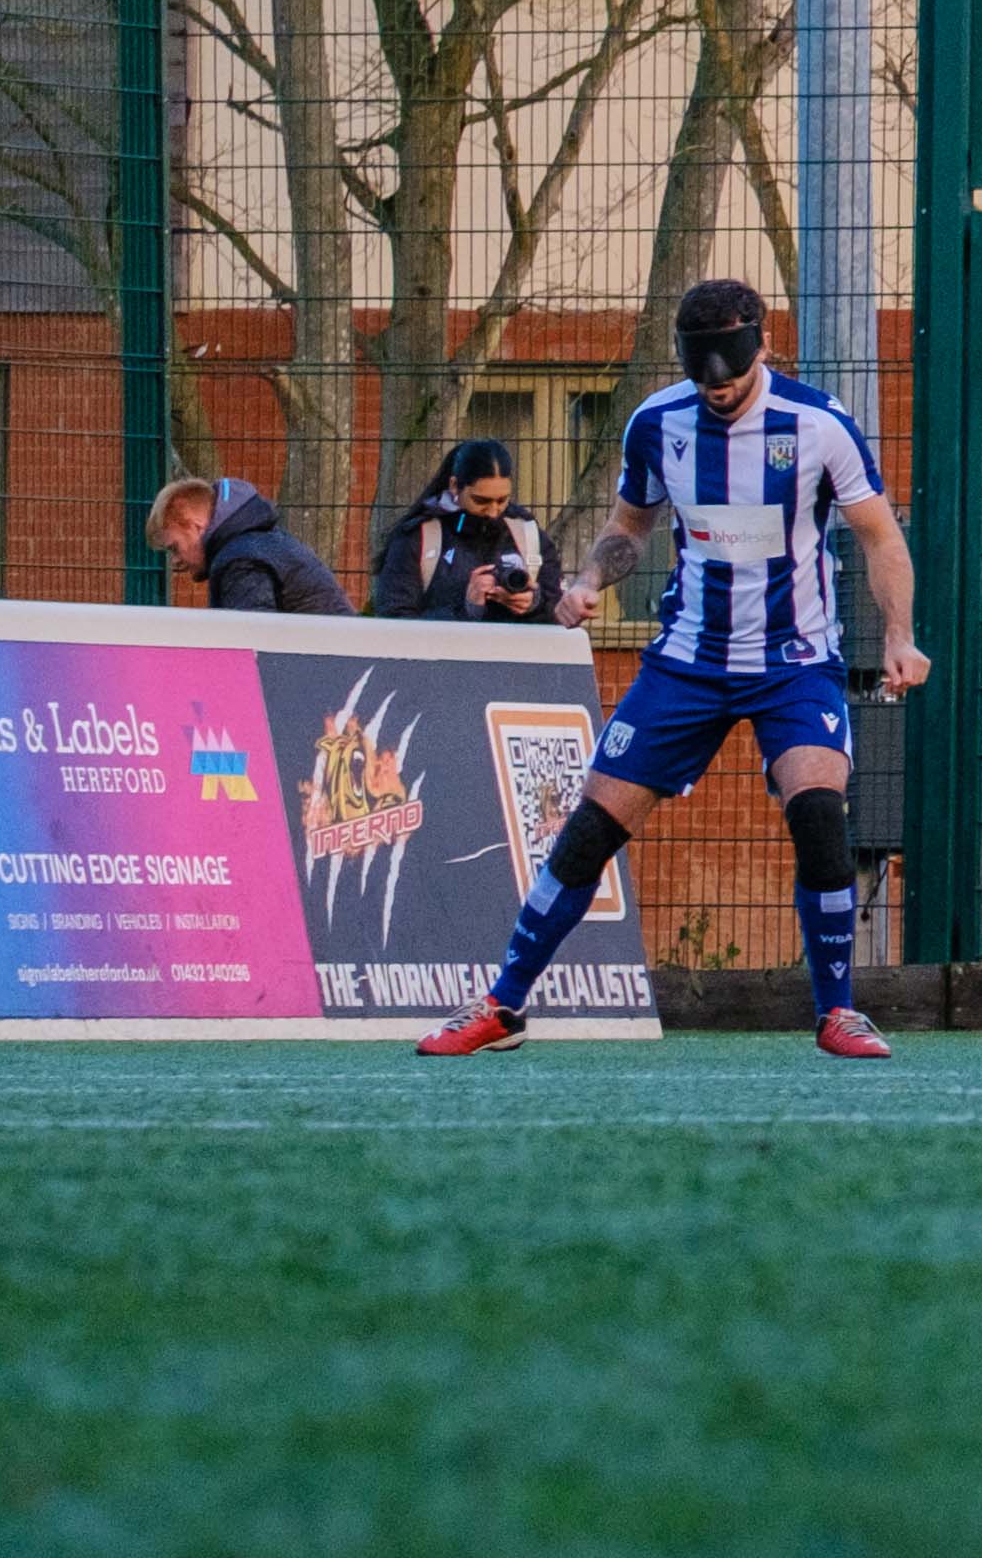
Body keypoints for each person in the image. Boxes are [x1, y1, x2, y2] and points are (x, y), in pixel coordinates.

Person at [422, 278, 929, 1062]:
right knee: (591, 827)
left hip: (793, 661)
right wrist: (591, 580)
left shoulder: (819, 425)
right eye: (704, 379)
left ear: (760, 349)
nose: (717, 392)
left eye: (728, 378)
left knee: (819, 807)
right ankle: (503, 1004)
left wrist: (898, 634)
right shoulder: (657, 422)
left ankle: (837, 1011)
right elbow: (630, 524)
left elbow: (879, 537)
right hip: (687, 660)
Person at [371, 440, 553, 622]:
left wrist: (533, 603)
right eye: (480, 501)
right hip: (442, 649)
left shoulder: (526, 533)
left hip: (514, 650)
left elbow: (560, 610)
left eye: (502, 500)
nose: (492, 512)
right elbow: (394, 621)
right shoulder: (420, 537)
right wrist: (466, 610)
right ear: (454, 485)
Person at [146, 473, 348, 613]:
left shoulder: (239, 561)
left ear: (194, 525)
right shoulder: (260, 544)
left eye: (174, 548)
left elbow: (252, 647)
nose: (175, 561)